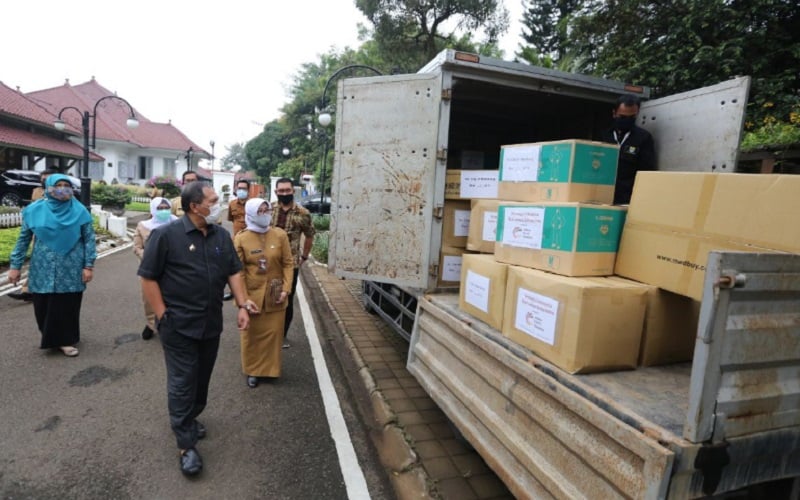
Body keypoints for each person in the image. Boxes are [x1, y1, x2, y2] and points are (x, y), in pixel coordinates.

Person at [137, 181, 250, 477]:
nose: (218, 205)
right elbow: (148, 278)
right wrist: (162, 315)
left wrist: (242, 304)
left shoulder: (221, 236)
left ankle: (188, 416)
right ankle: (185, 444)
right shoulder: (165, 236)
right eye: (213, 201)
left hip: (210, 323)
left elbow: (233, 271)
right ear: (194, 207)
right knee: (182, 382)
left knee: (201, 380)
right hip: (178, 326)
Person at [7, 174, 96, 357]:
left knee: (66, 304)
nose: (62, 189)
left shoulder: (80, 211)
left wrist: (88, 266)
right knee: (42, 304)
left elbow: (89, 240)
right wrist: (15, 266)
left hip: (71, 267)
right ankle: (51, 337)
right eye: (58, 185)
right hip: (42, 267)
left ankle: (65, 340)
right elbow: (23, 240)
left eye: (66, 185)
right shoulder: (34, 211)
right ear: (48, 187)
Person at [234, 198, 293, 387]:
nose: (265, 214)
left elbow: (288, 263)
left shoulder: (280, 235)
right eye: (260, 211)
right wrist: (243, 300)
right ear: (250, 214)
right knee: (252, 335)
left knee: (274, 334)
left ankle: (269, 370)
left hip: (276, 293)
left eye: (267, 210)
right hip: (252, 295)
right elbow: (238, 271)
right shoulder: (241, 238)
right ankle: (252, 370)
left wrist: (286, 289)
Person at [271, 178, 315, 349]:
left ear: (293, 191)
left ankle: (282, 335)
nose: (284, 193)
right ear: (276, 192)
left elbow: (310, 234)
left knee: (286, 298)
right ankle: (268, 331)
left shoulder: (303, 213)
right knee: (267, 295)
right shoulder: (269, 210)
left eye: (287, 190)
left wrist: (304, 256)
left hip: (291, 265)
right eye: (281, 191)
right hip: (269, 262)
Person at [9, 169, 58, 303]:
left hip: (54, 235)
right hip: (37, 231)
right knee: (37, 261)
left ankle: (29, 290)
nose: (44, 181)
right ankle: (28, 290)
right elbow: (33, 207)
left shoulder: (61, 192)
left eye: (48, 179)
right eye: (43, 179)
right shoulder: (36, 191)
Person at [133, 197, 178, 340]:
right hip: (150, 269)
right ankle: (151, 324)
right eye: (159, 208)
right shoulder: (143, 225)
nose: (163, 211)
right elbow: (137, 247)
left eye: (166, 208)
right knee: (149, 299)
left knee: (172, 298)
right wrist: (149, 257)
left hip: (172, 268)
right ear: (153, 210)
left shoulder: (176, 223)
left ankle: (170, 325)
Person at [602, 94, 657, 205]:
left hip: (627, 199)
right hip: (603, 195)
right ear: (614, 114)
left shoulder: (643, 138)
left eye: (631, 117)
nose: (626, 121)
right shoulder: (604, 135)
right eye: (622, 117)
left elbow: (646, 172)